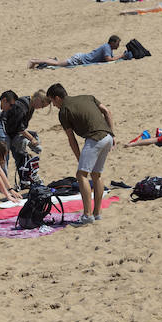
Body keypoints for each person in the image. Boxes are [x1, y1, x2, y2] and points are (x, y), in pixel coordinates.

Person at [47, 83, 115, 225]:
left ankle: (87, 215)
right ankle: (97, 213)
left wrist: (79, 158)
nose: (54, 105)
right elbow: (107, 112)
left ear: (58, 98)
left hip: (95, 138)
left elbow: (71, 138)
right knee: (96, 175)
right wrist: (112, 135)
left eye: (53, 102)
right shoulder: (87, 97)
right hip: (107, 137)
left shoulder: (64, 111)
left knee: (81, 175)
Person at [0, 89, 49, 185]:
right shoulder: (22, 106)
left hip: (13, 130)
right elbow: (19, 127)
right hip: (4, 128)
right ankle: (2, 183)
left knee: (21, 154)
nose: (41, 108)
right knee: (5, 155)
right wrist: (31, 139)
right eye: (42, 105)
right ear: (38, 99)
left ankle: (24, 180)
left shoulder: (30, 105)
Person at [28, 35, 128, 68]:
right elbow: (108, 59)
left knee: (57, 62)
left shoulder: (108, 48)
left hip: (80, 58)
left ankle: (42, 60)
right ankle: (34, 61)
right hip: (79, 60)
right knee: (57, 63)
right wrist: (121, 56)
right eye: (117, 43)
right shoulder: (106, 47)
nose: (118, 45)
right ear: (112, 43)